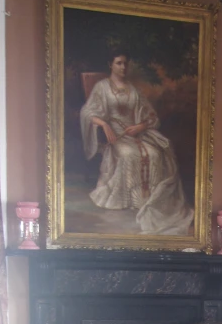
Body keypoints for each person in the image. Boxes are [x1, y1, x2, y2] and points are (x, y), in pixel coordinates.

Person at [80, 48, 194, 236]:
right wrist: (104, 124)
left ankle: (149, 199)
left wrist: (140, 127)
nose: (123, 67)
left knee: (155, 153)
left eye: (125, 63)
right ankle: (129, 199)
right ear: (111, 65)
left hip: (136, 135)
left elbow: (151, 116)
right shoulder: (102, 87)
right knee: (128, 154)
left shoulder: (133, 89)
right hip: (115, 136)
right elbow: (87, 112)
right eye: (119, 63)